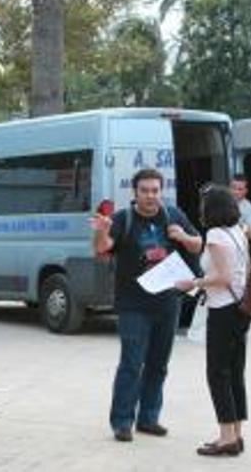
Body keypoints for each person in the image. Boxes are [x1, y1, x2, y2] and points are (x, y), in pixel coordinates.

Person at [91, 168, 202, 442]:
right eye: (145, 191)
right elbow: (101, 251)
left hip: (167, 302)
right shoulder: (123, 219)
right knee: (131, 363)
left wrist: (183, 238)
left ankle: (149, 418)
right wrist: (102, 233)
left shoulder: (173, 215)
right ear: (135, 193)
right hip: (133, 304)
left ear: (160, 191)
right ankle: (122, 422)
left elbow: (198, 244)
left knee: (158, 364)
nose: (151, 196)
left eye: (155, 190)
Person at [175, 185, 251, 457]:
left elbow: (224, 276)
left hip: (224, 309)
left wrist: (193, 282)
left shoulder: (217, 234)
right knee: (234, 372)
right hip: (242, 308)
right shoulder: (238, 231)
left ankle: (226, 437)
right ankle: (237, 434)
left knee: (217, 373)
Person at [229, 174, 251, 242]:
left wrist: (239, 224)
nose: (235, 192)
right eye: (233, 188)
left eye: (240, 189)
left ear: (245, 191)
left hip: (238, 246)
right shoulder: (221, 203)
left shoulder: (249, 208)